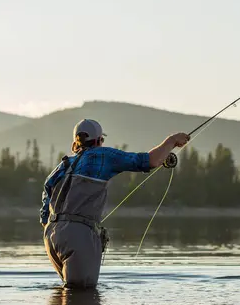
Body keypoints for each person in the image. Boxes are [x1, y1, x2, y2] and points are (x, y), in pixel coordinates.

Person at [40, 118, 190, 289]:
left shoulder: (63, 165)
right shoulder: (103, 155)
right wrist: (172, 140)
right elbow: (149, 161)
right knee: (82, 296)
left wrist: (53, 226)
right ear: (98, 140)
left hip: (51, 236)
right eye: (102, 140)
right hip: (78, 234)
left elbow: (46, 197)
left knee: (65, 302)